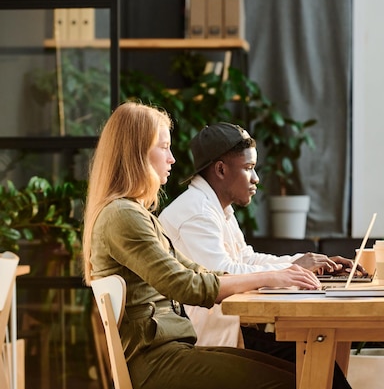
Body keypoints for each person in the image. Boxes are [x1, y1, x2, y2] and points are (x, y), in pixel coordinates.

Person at [82, 102, 322, 389]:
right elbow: (185, 285)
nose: (172, 159)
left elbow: (197, 271)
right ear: (137, 153)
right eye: (164, 147)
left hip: (171, 353)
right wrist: (272, 276)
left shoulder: (134, 214)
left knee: (307, 373)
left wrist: (283, 272)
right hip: (157, 364)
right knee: (300, 381)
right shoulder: (122, 216)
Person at [158, 122, 362, 389]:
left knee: (321, 367)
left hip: (231, 330)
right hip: (209, 342)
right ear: (220, 169)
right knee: (317, 370)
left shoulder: (214, 207)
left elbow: (246, 258)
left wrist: (301, 264)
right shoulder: (196, 213)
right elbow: (224, 274)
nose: (256, 179)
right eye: (249, 168)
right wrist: (286, 273)